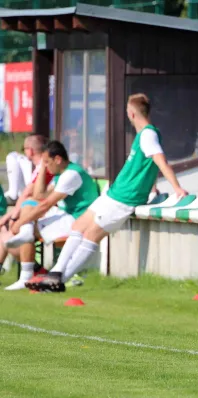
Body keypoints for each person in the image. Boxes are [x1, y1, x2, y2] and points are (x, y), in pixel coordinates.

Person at [26, 93, 189, 292]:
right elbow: (148, 166)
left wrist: (177, 188)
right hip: (114, 193)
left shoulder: (148, 134)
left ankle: (59, 280)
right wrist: (152, 186)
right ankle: (56, 272)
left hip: (123, 199)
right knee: (79, 226)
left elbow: (160, 161)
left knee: (91, 235)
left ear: (131, 113)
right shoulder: (146, 135)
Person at [3, 141, 99, 290]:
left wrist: (20, 222)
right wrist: (42, 168)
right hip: (67, 214)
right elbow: (39, 196)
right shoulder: (61, 174)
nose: (46, 166)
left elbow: (45, 204)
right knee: (28, 203)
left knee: (26, 225)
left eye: (47, 162)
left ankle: (27, 276)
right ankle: (27, 271)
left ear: (58, 159)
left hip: (79, 219)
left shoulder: (71, 175)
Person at [0, 134, 53, 276]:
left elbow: (30, 195)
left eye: (24, 149)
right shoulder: (40, 167)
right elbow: (28, 194)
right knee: (6, 232)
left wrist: (12, 216)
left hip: (45, 215)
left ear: (29, 151)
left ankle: (35, 270)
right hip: (37, 212)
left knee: (7, 236)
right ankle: (34, 270)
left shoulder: (44, 167)